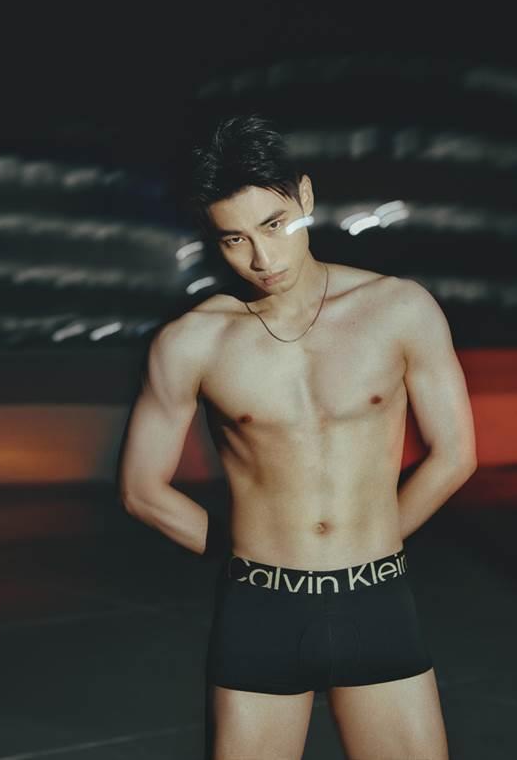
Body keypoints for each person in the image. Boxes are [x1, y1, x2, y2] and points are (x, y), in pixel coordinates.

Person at [118, 112, 476, 759]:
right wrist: (247, 557)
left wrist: (374, 542)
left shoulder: (399, 309)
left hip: (377, 598)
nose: (262, 258)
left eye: (274, 225)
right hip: (261, 610)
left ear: (305, 197)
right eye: (234, 239)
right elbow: (143, 490)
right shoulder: (192, 341)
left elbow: (454, 455)